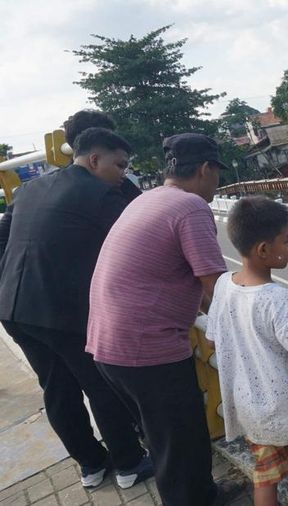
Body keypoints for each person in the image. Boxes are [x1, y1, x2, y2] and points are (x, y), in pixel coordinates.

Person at [86, 133, 242, 506]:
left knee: (166, 437)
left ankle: (204, 494)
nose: (217, 183)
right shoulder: (190, 207)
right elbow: (214, 288)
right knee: (179, 442)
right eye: (217, 173)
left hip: (107, 347)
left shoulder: (149, 199)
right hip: (146, 351)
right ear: (205, 169)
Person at [0, 128, 152, 489]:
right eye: (120, 166)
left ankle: (91, 465)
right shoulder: (100, 194)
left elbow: (3, 238)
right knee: (101, 384)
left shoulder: (29, 189)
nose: (123, 175)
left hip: (12, 306)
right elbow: (138, 245)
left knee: (57, 389)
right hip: (60, 311)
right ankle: (129, 463)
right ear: (95, 160)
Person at [206, 196, 288, 506]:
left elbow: (213, 339)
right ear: (264, 250)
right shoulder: (280, 299)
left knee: (266, 475)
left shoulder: (223, 284)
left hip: (250, 412)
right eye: (286, 241)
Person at [63, 109, 142, 201]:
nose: (115, 144)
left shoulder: (52, 185)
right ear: (94, 159)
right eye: (109, 139)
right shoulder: (108, 194)